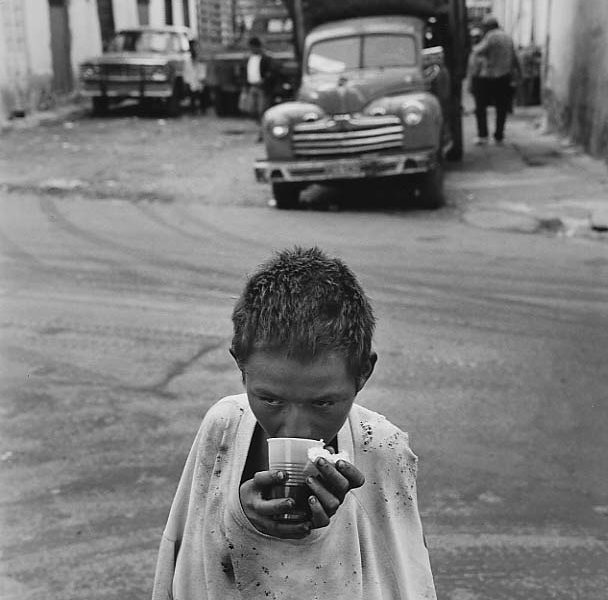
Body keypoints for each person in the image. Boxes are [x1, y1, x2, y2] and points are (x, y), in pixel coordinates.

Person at [152, 247, 437, 600]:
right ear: (241, 366)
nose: (295, 429)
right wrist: (239, 520)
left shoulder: (381, 447)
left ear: (363, 372)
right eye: (271, 400)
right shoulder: (224, 429)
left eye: (322, 403)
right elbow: (184, 559)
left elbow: (409, 576)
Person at [470, 16, 521, 145]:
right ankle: (499, 135)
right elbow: (514, 57)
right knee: (501, 107)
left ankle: (483, 135)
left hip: (488, 77)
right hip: (504, 77)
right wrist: (519, 73)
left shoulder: (491, 36)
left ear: (489, 26)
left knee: (480, 107)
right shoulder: (508, 37)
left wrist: (474, 47)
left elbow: (478, 51)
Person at [244, 37, 275, 142]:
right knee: (252, 110)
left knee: (262, 111)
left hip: (263, 88)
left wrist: (264, 80)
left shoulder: (266, 57)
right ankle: (262, 129)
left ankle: (263, 133)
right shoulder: (250, 58)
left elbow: (272, 72)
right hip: (252, 87)